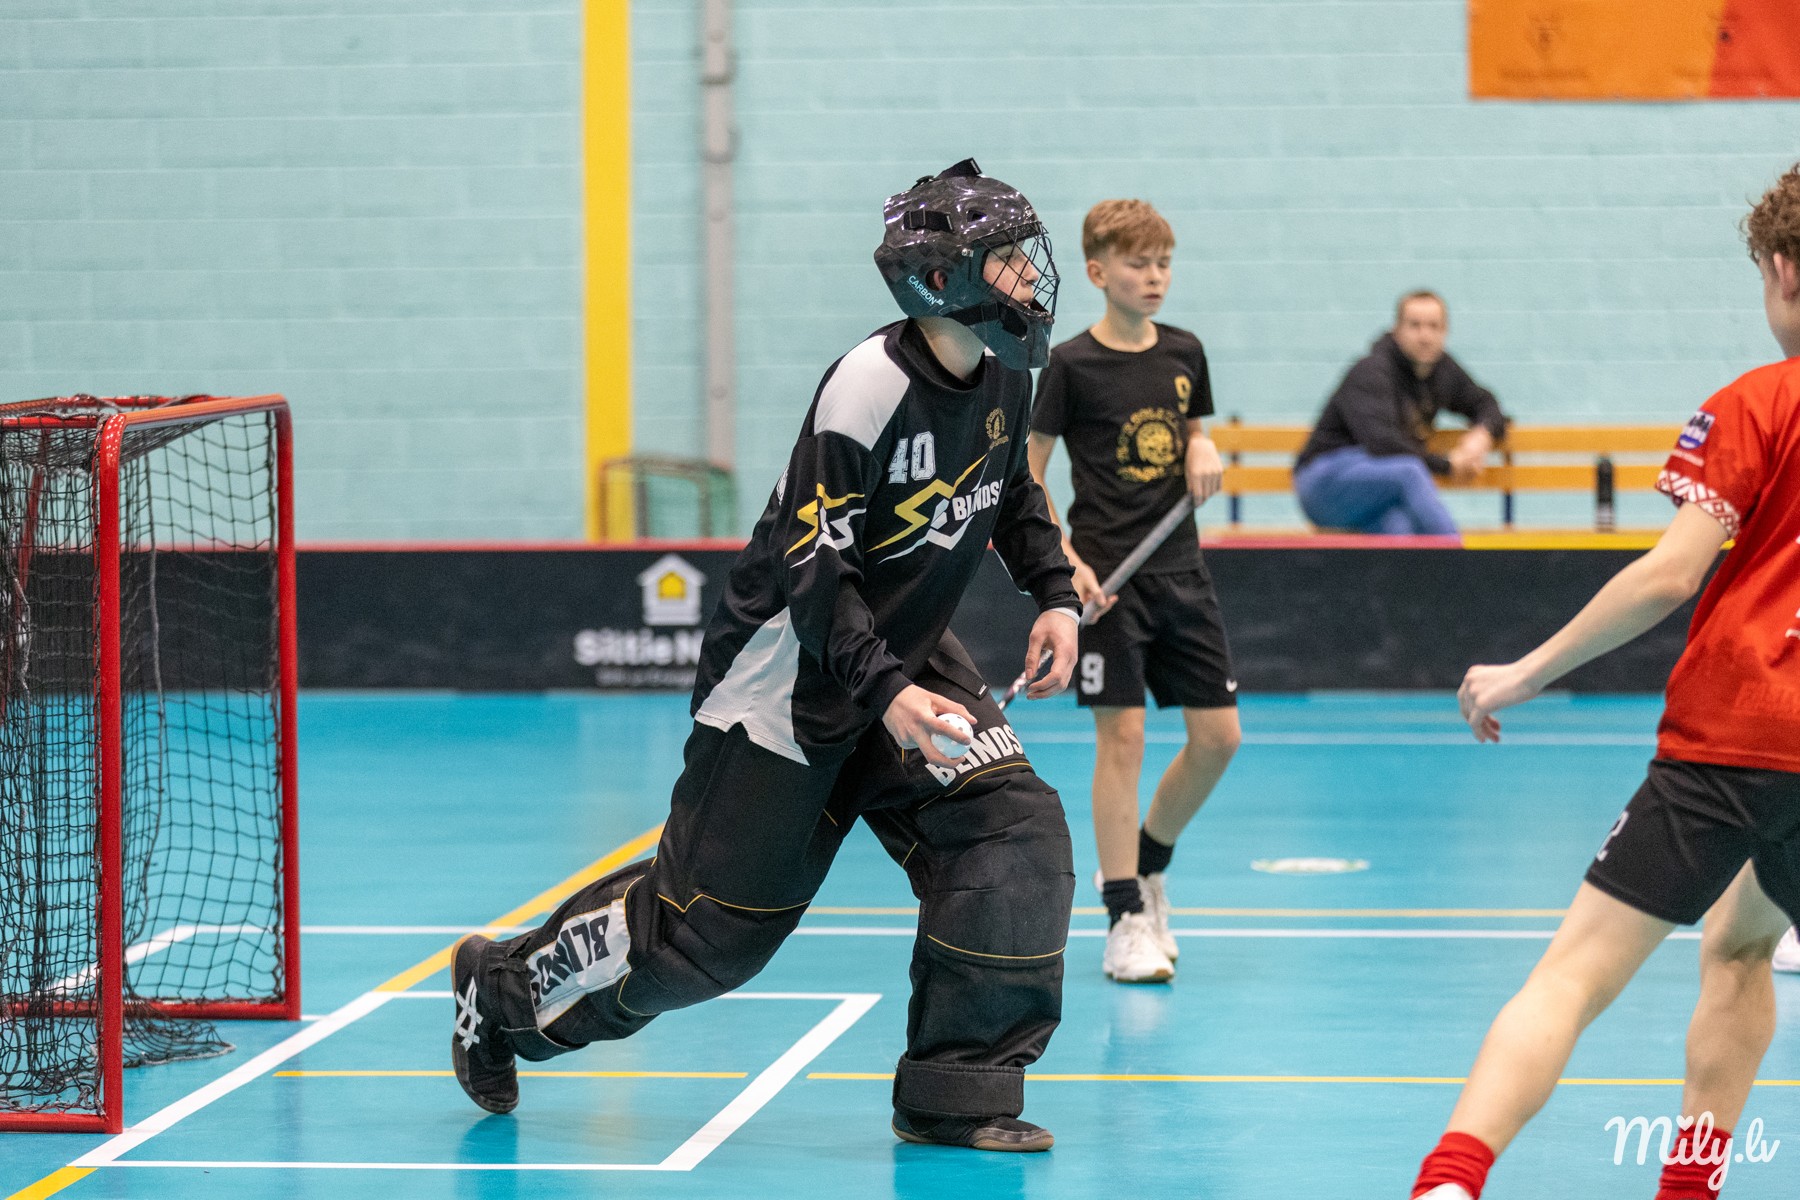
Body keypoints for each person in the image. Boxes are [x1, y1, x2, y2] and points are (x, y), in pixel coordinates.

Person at [448, 160, 1084, 1153]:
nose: (1030, 277)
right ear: (942, 279)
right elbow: (813, 569)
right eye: (1008, 258)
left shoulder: (1006, 372)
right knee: (702, 942)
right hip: (790, 676)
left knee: (1013, 837)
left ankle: (957, 1093)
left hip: (903, 661)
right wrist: (889, 695)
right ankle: (501, 991)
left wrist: (1055, 595)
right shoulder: (867, 387)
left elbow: (1009, 494)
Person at [1410, 163, 1800, 1200]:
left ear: (1780, 269)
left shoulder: (1756, 403)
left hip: (1732, 742)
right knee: (1743, 946)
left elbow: (1671, 574)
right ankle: (1689, 1186)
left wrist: (1527, 672)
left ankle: (1450, 1180)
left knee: (1575, 976)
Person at [1026, 199, 1239, 984]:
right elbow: (1030, 476)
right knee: (1123, 740)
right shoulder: (1071, 366)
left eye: (1163, 264)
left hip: (1181, 573)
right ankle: (1123, 918)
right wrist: (1064, 561)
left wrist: (1203, 445)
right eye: (1138, 264)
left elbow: (1193, 432)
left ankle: (1148, 868)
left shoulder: (1185, 352)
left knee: (1219, 739)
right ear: (1097, 271)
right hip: (1107, 584)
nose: (1154, 278)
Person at [1293, 292, 1507, 535]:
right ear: (1397, 330)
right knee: (1409, 472)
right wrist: (1448, 465)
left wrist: (1482, 435)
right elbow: (1383, 445)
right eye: (1415, 325)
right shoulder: (1372, 371)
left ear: (1444, 332)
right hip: (1324, 483)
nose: (1425, 336)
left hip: (1377, 488)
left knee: (1398, 527)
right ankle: (1457, 555)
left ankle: (1421, 562)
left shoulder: (1442, 370)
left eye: (1433, 326)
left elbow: (1486, 403)